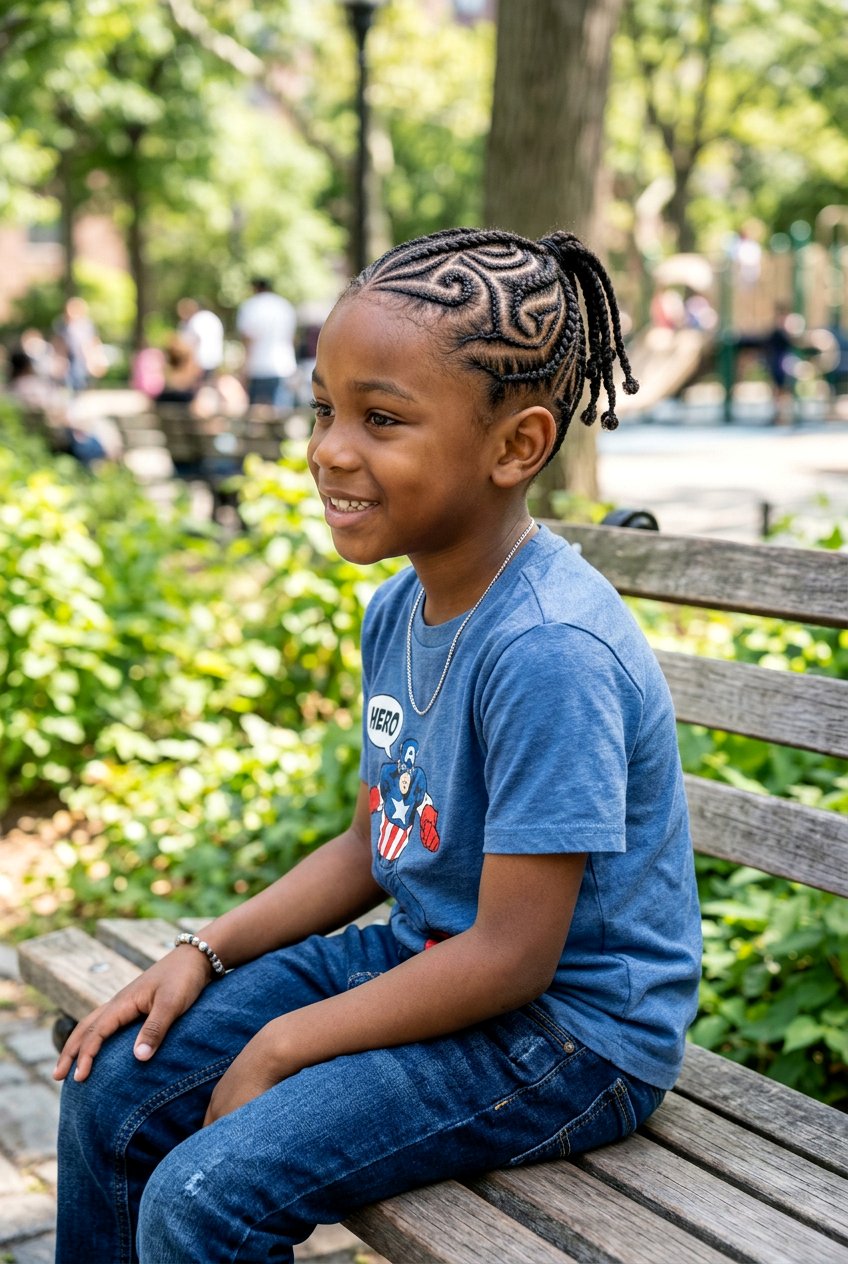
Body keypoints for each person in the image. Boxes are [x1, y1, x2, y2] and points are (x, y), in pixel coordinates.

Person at [54, 227, 702, 1263]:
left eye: (380, 418)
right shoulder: (402, 606)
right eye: (324, 407)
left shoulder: (546, 648)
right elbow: (374, 842)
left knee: (203, 1196)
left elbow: (513, 954)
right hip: (431, 954)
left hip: (566, 1033)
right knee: (114, 1088)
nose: (327, 448)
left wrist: (282, 1044)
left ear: (515, 445)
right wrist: (203, 949)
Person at [236, 276, 297, 408]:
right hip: (283, 366)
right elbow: (291, 338)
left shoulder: (250, 306)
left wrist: (243, 368)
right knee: (280, 412)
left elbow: (248, 340)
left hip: (257, 367)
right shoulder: (284, 306)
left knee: (256, 415)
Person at [52, 296, 107, 392]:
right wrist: (58, 358)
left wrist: (96, 357)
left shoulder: (86, 325)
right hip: (68, 358)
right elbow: (57, 342)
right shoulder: (61, 324)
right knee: (68, 383)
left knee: (80, 382)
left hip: (82, 358)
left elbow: (94, 341)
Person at [177, 297, 225, 381]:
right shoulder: (211, 317)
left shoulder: (196, 320)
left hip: (200, 361)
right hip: (214, 360)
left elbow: (192, 342)